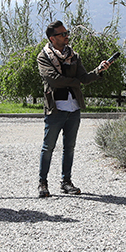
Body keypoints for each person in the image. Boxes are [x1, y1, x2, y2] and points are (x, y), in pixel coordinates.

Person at [36, 20, 111, 198]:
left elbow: (84, 77)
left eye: (67, 32)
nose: (67, 36)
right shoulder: (43, 56)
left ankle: (66, 182)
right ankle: (42, 183)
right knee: (48, 147)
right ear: (52, 38)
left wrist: (99, 71)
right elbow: (54, 79)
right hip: (55, 109)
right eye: (63, 34)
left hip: (74, 108)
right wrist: (76, 82)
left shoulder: (74, 55)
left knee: (69, 147)